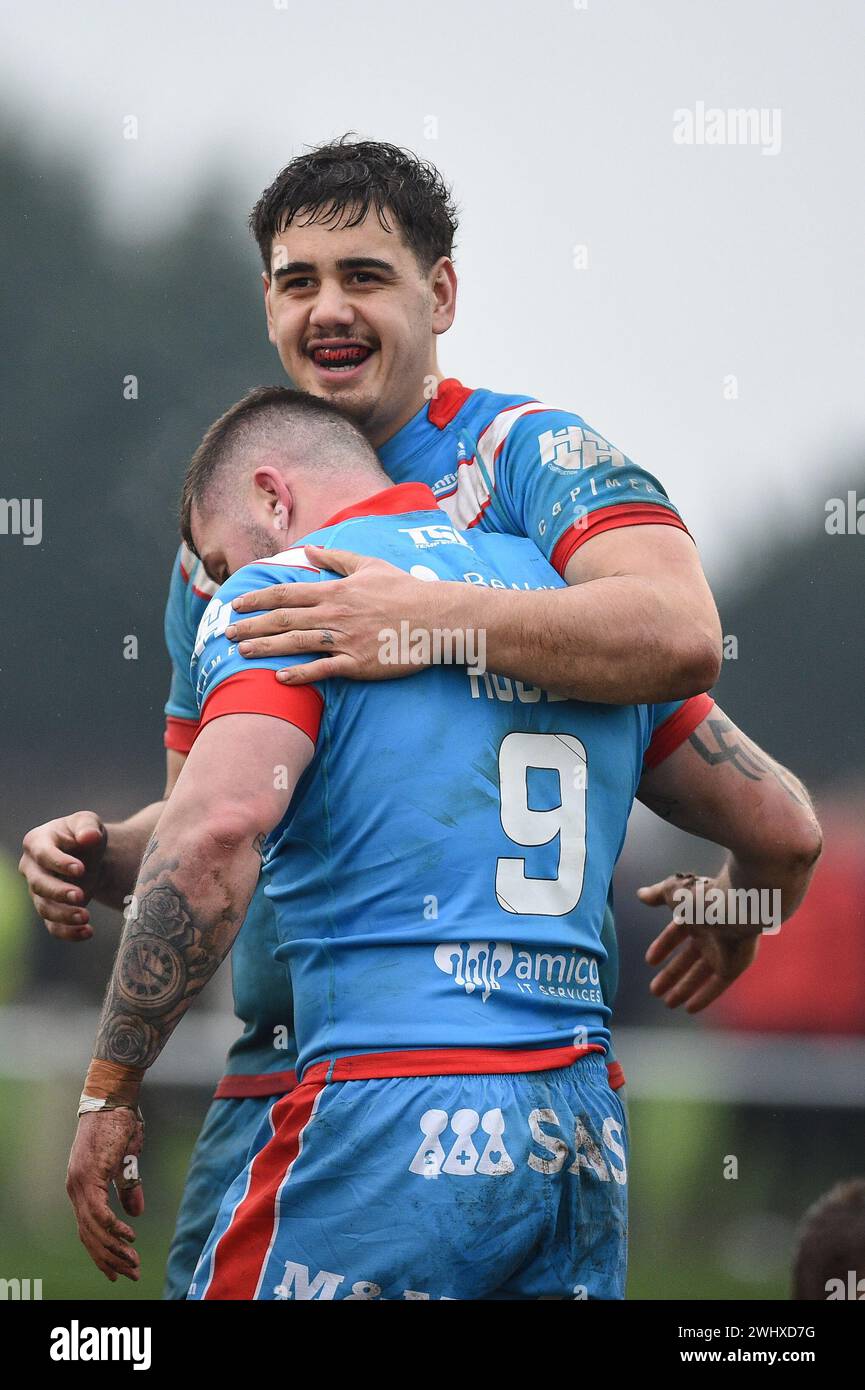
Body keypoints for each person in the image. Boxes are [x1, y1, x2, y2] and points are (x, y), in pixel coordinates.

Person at [21, 138, 812, 1295]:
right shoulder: (227, 537)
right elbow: (222, 819)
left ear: (439, 293)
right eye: (298, 282)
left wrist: (426, 620)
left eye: (365, 276)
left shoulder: (525, 460)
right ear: (267, 305)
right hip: (399, 1086)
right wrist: (101, 851)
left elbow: (682, 629)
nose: (329, 310)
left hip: (367, 1096)